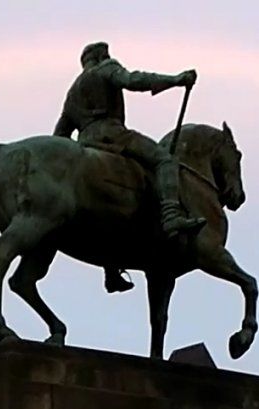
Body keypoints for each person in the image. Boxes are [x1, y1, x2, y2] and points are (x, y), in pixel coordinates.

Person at [53, 42, 207, 294]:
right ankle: (171, 216)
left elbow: (60, 136)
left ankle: (111, 269)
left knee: (107, 207)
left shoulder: (73, 91)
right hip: (113, 135)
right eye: (108, 55)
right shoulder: (106, 69)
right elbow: (134, 80)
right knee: (166, 160)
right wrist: (175, 80)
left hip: (86, 143)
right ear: (102, 56)